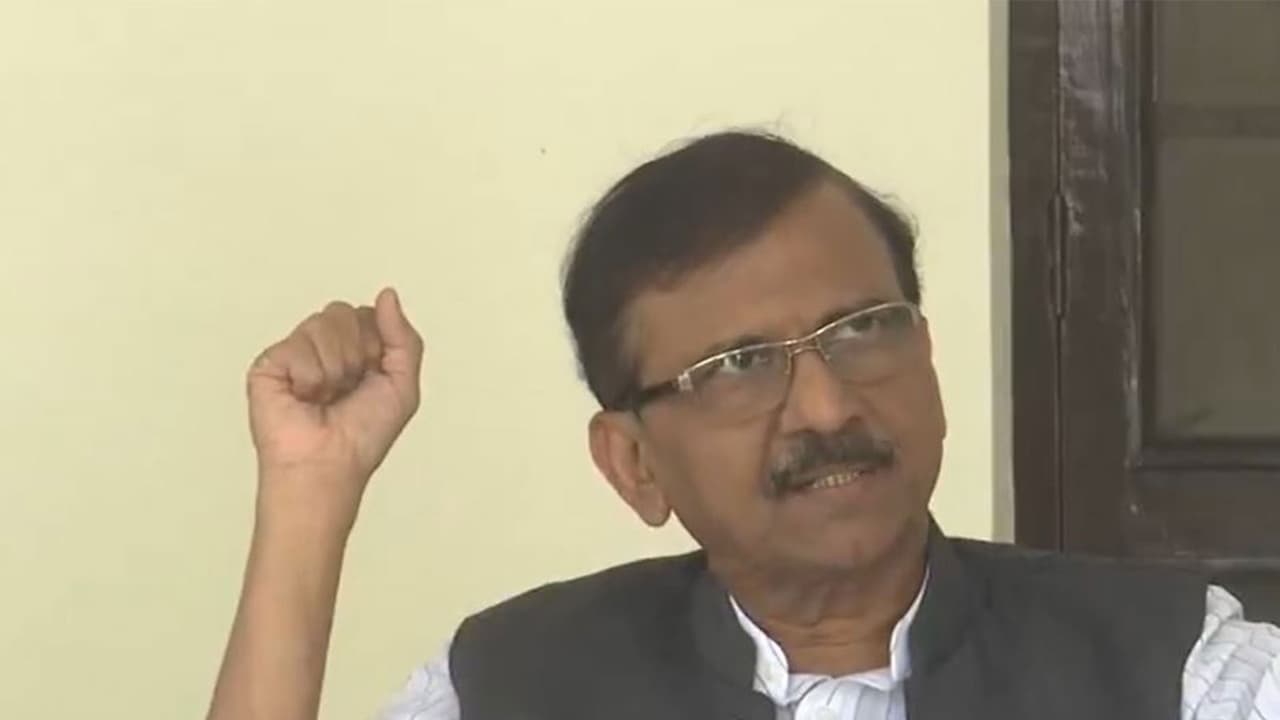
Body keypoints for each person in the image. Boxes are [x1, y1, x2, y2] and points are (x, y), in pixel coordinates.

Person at [207, 132, 1280, 720]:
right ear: (633, 465)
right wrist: (309, 496)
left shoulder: (1176, 671)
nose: (826, 406)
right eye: (738, 368)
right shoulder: (513, 686)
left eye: (861, 330)